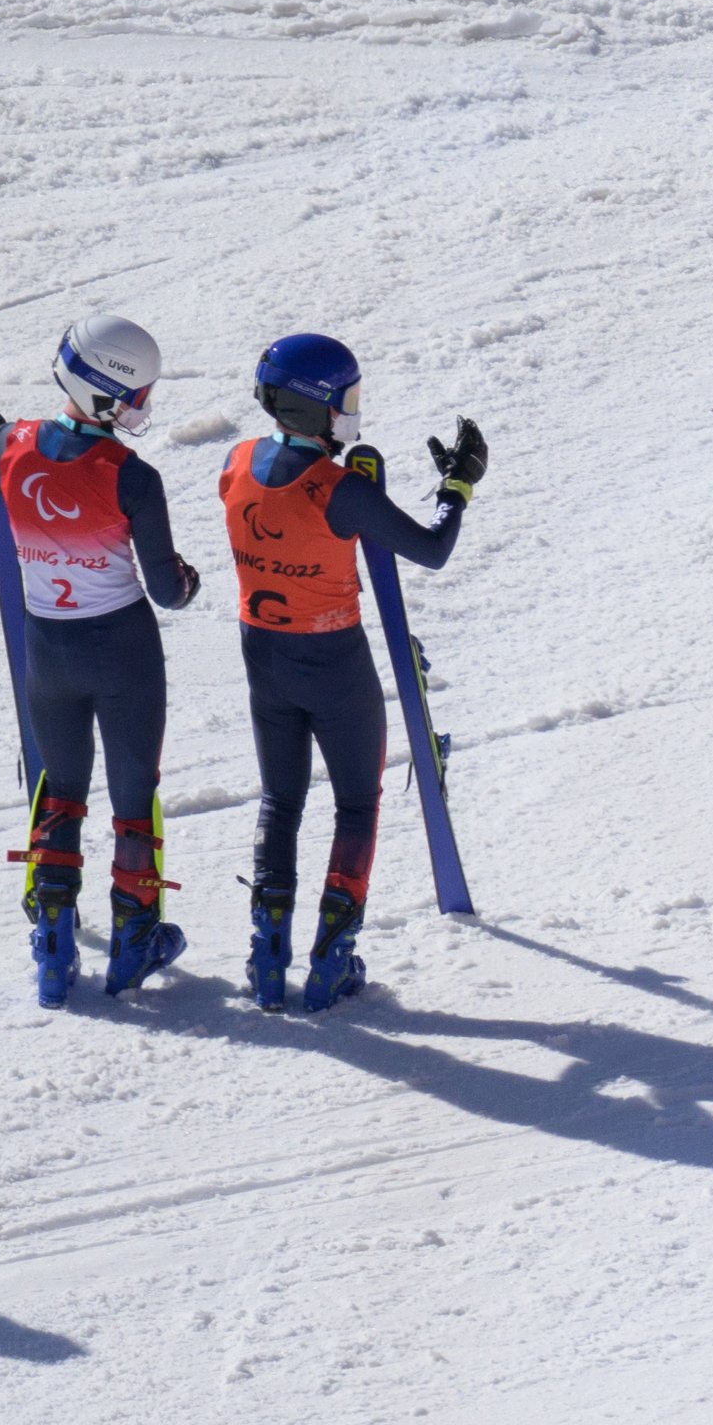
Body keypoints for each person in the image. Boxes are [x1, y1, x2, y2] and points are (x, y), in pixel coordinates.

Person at [0, 315, 205, 1005]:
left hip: (47, 646)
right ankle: (134, 936)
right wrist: (190, 576)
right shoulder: (131, 476)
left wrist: (17, 511)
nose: (143, 406)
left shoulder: (9, 443)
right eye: (138, 394)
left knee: (60, 787)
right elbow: (168, 591)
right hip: (122, 649)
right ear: (110, 394)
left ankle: (54, 944)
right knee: (131, 795)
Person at [216, 332, 486, 1013]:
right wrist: (457, 486)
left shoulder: (236, 461)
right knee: (356, 803)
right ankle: (333, 957)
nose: (353, 411)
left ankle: (266, 953)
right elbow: (431, 549)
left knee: (281, 799)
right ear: (318, 408)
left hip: (263, 654)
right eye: (347, 400)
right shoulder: (338, 491)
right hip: (333, 658)